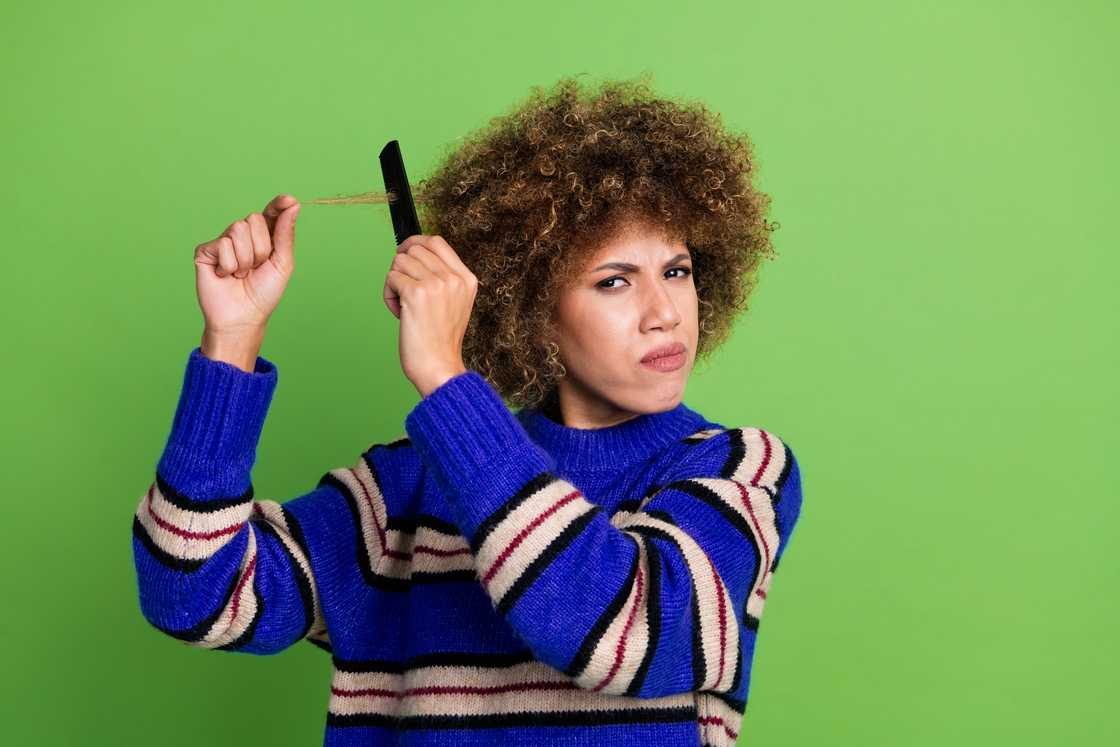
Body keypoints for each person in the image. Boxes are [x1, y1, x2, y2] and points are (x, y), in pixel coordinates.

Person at [132, 75, 804, 747]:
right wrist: (231, 343)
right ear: (531, 307)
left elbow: (619, 630)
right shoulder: (406, 488)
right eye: (615, 280)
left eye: (678, 270)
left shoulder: (736, 467)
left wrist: (445, 378)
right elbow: (194, 596)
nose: (664, 313)